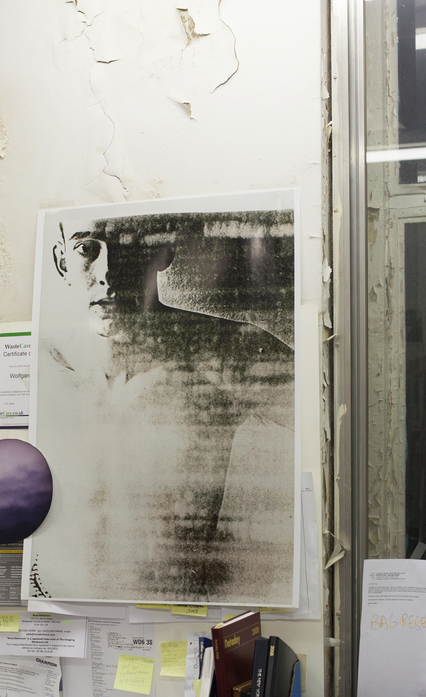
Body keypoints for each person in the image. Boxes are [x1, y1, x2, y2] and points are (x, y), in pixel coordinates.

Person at [28, 212, 295, 606]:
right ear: (61, 260)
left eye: (129, 248)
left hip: (174, 620)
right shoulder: (38, 365)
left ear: (164, 254)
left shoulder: (219, 353)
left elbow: (324, 428)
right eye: (87, 249)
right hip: (61, 615)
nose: (107, 273)